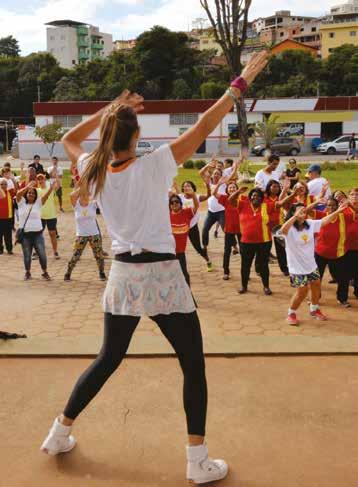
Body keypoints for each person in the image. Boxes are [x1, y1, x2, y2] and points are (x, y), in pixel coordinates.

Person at [40, 51, 269, 485]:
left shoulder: (92, 167)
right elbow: (204, 125)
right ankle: (196, 461)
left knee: (108, 358)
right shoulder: (156, 164)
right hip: (163, 274)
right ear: (136, 135)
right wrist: (238, 84)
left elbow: (72, 137)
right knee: (192, 365)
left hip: (124, 275)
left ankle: (58, 433)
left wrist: (109, 109)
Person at [280, 200, 348, 326]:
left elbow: (324, 221)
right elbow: (283, 230)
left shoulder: (310, 224)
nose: (303, 212)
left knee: (316, 285)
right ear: (293, 213)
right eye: (300, 210)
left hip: (311, 265)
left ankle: (314, 309)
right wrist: (295, 216)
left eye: (304, 210)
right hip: (297, 267)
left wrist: (338, 211)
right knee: (302, 291)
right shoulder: (289, 228)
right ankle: (291, 313)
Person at [236, 187, 274, 295]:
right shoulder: (243, 205)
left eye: (257, 196)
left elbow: (280, 203)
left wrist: (289, 192)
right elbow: (231, 200)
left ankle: (266, 287)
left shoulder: (266, 206)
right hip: (246, 242)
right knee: (245, 265)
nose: (255, 197)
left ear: (262, 198)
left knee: (263, 265)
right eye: (253, 195)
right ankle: (244, 286)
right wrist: (238, 192)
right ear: (250, 197)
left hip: (264, 242)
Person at [314, 196, 351, 307]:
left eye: (334, 205)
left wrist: (350, 201)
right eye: (329, 205)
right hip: (320, 253)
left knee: (343, 278)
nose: (331, 207)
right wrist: (316, 201)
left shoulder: (345, 216)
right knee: (316, 278)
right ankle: (315, 298)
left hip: (338, 253)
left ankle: (342, 298)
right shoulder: (321, 216)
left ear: (337, 206)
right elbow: (306, 211)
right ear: (326, 206)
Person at [64, 187, 106, 281]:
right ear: (80, 195)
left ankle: (101, 272)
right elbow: (71, 195)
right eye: (83, 194)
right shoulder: (76, 205)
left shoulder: (93, 204)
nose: (85, 196)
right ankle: (68, 272)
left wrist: (89, 187)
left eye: (87, 194)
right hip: (81, 235)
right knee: (76, 255)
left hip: (94, 234)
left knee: (99, 255)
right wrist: (82, 186)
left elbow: (102, 196)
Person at [16, 181, 54, 280]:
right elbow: (18, 194)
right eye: (29, 193)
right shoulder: (21, 203)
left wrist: (50, 189)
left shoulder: (38, 203)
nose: (31, 194)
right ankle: (27, 272)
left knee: (42, 254)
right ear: (26, 194)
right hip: (25, 236)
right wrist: (27, 187)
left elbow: (46, 196)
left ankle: (45, 272)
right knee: (27, 255)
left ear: (35, 195)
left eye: (33, 193)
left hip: (38, 234)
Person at [212, 175, 245, 280]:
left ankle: (245, 272)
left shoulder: (243, 198)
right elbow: (213, 193)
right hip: (229, 229)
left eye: (234, 187)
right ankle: (226, 271)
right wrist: (219, 183)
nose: (232, 189)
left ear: (237, 189)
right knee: (227, 251)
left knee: (244, 252)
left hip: (241, 229)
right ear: (227, 190)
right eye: (230, 188)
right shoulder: (225, 198)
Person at [178, 180, 212, 267]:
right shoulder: (180, 197)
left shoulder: (197, 197)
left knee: (197, 247)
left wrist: (208, 186)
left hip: (192, 226)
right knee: (177, 247)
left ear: (193, 188)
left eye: (188, 186)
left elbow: (208, 195)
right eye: (184, 186)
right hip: (181, 226)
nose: (186, 187)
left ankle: (207, 260)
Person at [169, 193, 199, 286]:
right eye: (172, 202)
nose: (174, 204)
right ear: (169, 205)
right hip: (168, 251)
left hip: (180, 252)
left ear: (180, 203)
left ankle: (188, 295)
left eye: (177, 201)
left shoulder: (186, 213)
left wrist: (193, 195)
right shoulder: (166, 216)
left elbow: (196, 206)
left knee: (184, 274)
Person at [37, 174, 60, 260]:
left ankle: (55, 251)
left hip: (51, 215)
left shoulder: (50, 188)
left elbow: (57, 186)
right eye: (38, 179)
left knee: (52, 234)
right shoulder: (37, 190)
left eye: (42, 179)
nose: (40, 181)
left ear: (44, 179)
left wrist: (57, 178)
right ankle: (37, 252)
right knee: (38, 235)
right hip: (41, 216)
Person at [344, 188, 358, 299]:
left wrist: (351, 205)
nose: (354, 196)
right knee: (345, 271)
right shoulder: (344, 209)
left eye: (357, 195)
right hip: (345, 245)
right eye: (352, 194)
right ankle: (342, 295)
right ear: (348, 197)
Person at [0, 178, 15, 254]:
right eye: (1, 184)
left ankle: (9, 249)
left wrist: (12, 179)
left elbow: (17, 188)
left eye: (5, 184)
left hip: (8, 218)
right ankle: (0, 249)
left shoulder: (10, 192)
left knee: (8, 235)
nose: (3, 185)